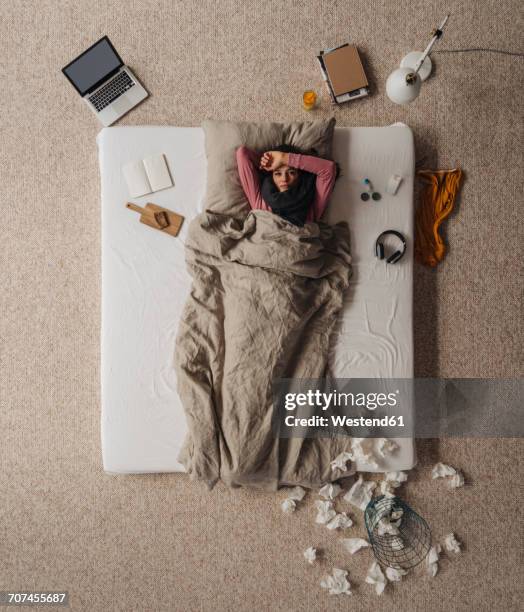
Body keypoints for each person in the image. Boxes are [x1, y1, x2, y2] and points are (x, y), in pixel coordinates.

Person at [235, 144, 338, 226]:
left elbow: (329, 169)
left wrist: (284, 158)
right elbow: (242, 153)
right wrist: (268, 161)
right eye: (278, 173)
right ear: (272, 177)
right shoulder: (260, 201)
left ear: (299, 175)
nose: (284, 179)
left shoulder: (311, 204)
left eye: (291, 172)